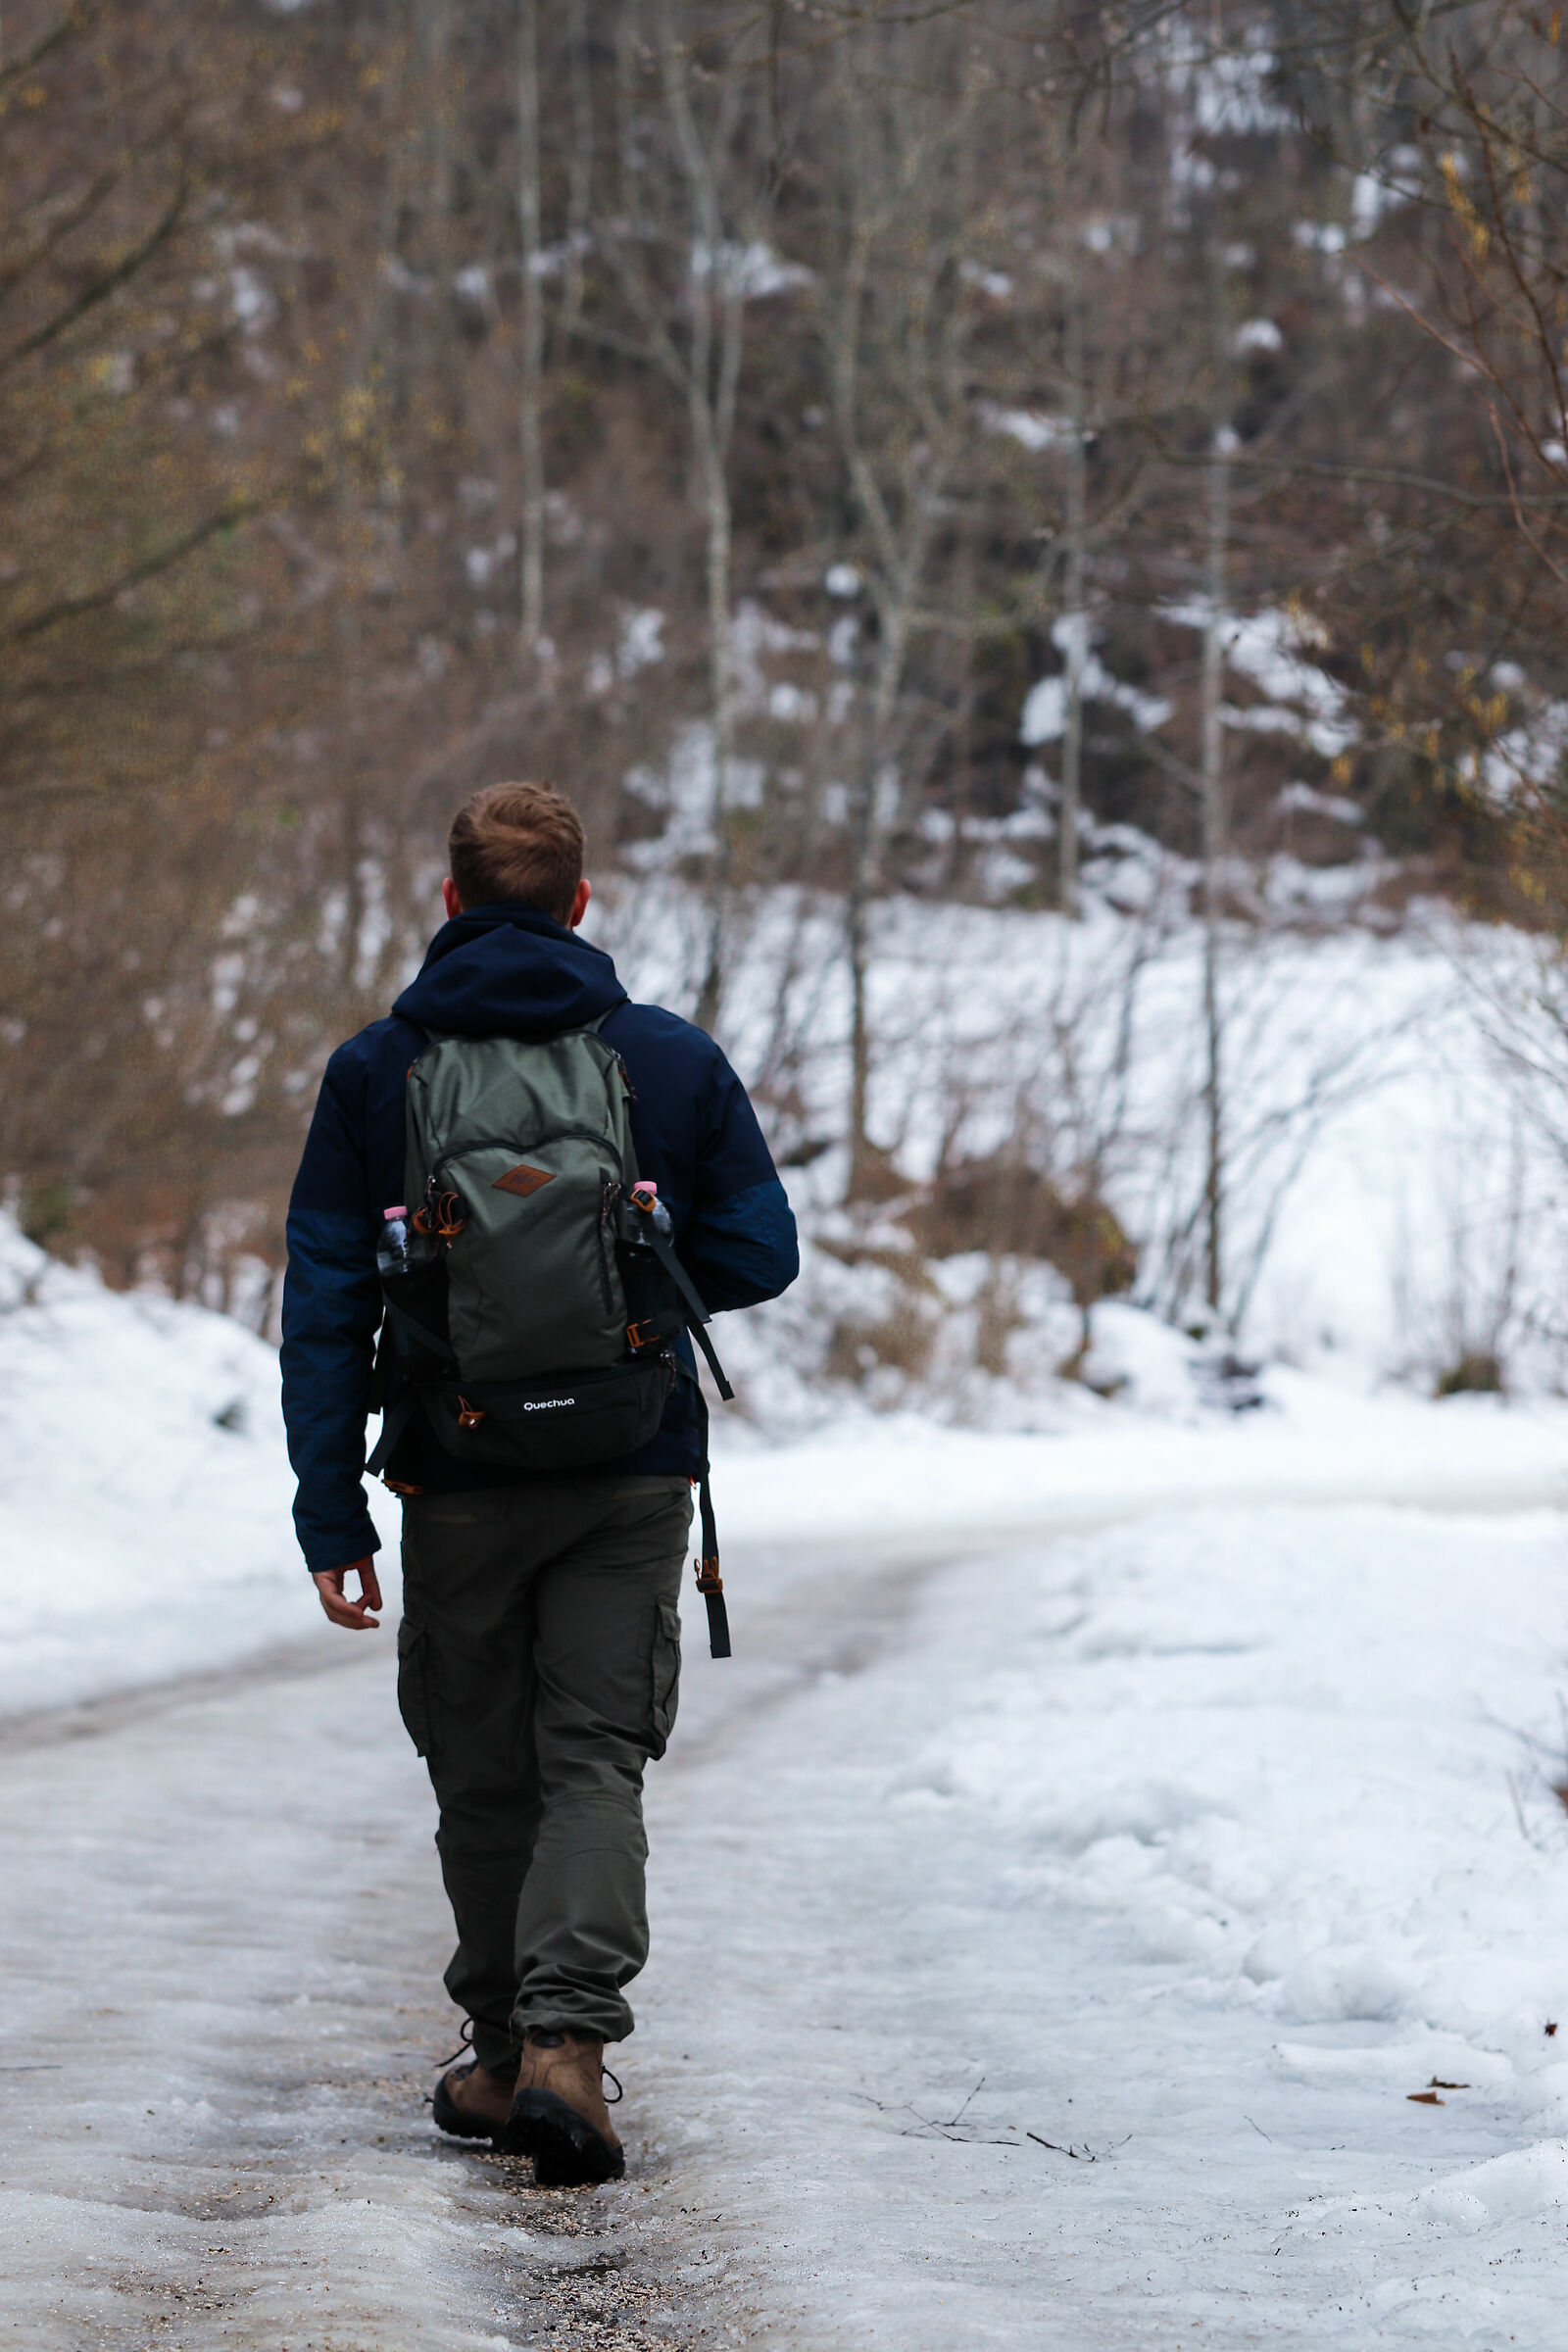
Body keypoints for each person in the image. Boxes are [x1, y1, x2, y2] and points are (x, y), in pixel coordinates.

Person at [280, 781, 799, 2184]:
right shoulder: (669, 1061)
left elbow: (325, 1305)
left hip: (455, 1469)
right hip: (630, 1466)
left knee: (480, 1760)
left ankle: (503, 2055)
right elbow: (763, 1256)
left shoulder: (375, 1072)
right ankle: (573, 2051)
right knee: (594, 1757)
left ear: (451, 904)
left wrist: (331, 1508)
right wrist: (633, 1266)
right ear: (581, 903)